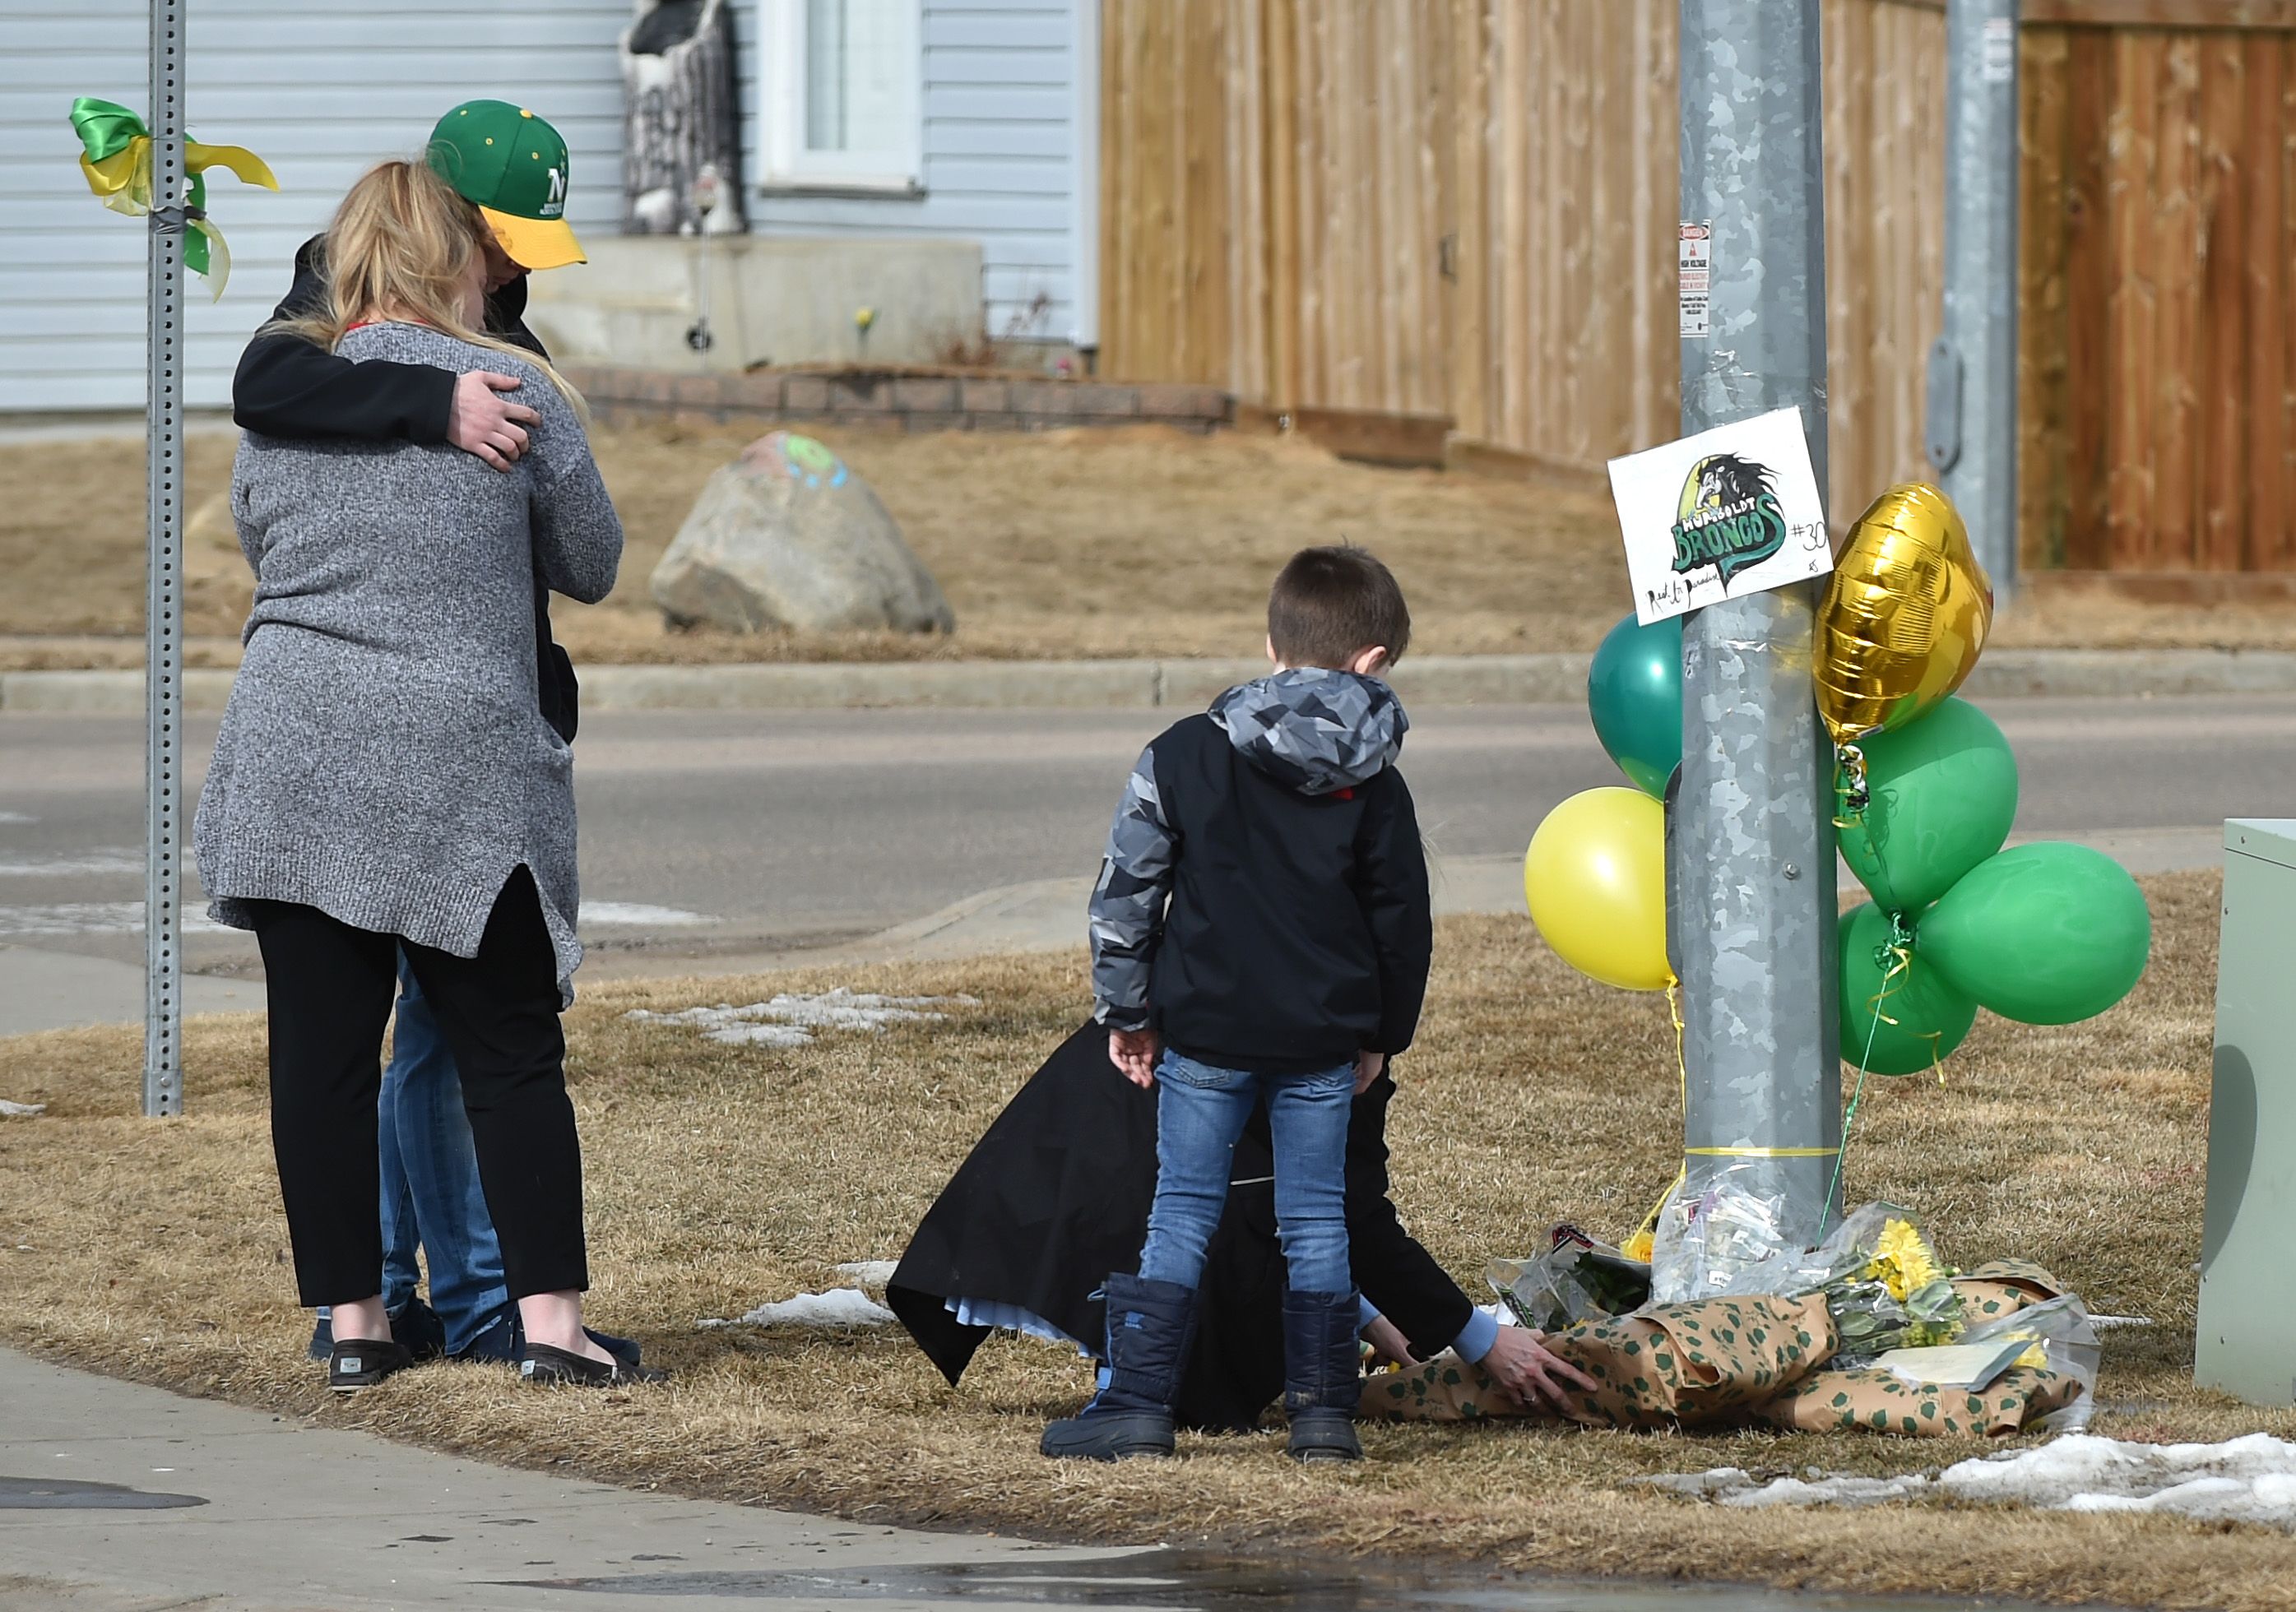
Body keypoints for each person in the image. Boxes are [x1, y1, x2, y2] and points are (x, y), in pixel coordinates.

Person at [192, 154, 652, 1391]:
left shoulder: (288, 403)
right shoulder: (512, 387)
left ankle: (356, 1326)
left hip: (292, 748)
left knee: (320, 1060)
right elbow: (594, 559)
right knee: (505, 1046)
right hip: (458, 765)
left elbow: (259, 537)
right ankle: (547, 1327)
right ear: (460, 255)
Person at [1038, 546, 1433, 1466]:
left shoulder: (1182, 752)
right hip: (1321, 1041)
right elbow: (1402, 922)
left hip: (1206, 1030)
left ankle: (1137, 1405)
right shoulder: (1377, 779)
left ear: (1270, 642)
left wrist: (1126, 1012)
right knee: (1317, 1221)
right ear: (1372, 661)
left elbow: (1125, 893)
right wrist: (1382, 1035)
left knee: (1179, 1209)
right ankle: (1325, 1419)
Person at [890, 1022, 1601, 1434]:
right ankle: (1133, 1384)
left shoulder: (1331, 1016)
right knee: (1209, 1233)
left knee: (1243, 1223)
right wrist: (1479, 1339)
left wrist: (1377, 1318)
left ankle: (1144, 1376)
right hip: (1117, 1144)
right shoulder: (1310, 1031)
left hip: (1159, 1092)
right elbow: (1334, 1208)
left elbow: (1327, 1199)